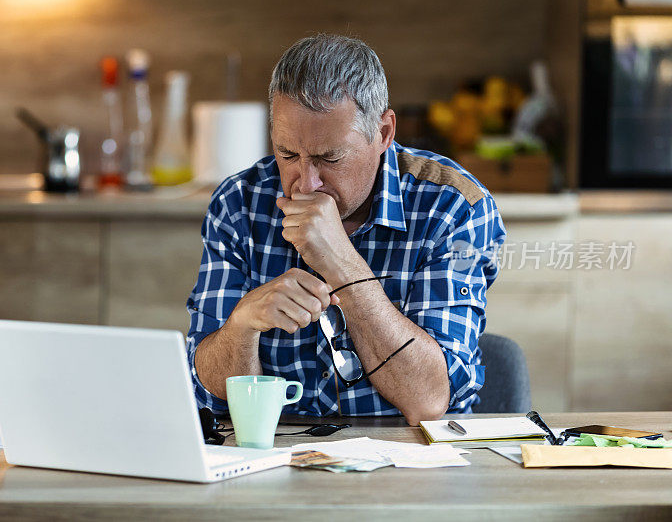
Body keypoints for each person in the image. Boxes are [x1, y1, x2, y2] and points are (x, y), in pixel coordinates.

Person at [186, 34, 506, 424]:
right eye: (288, 154)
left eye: (330, 157)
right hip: (275, 457)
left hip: (411, 464)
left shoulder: (453, 208)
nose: (306, 183)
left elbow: (428, 400)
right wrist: (241, 326)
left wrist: (341, 263)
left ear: (384, 133)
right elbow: (209, 391)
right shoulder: (238, 203)